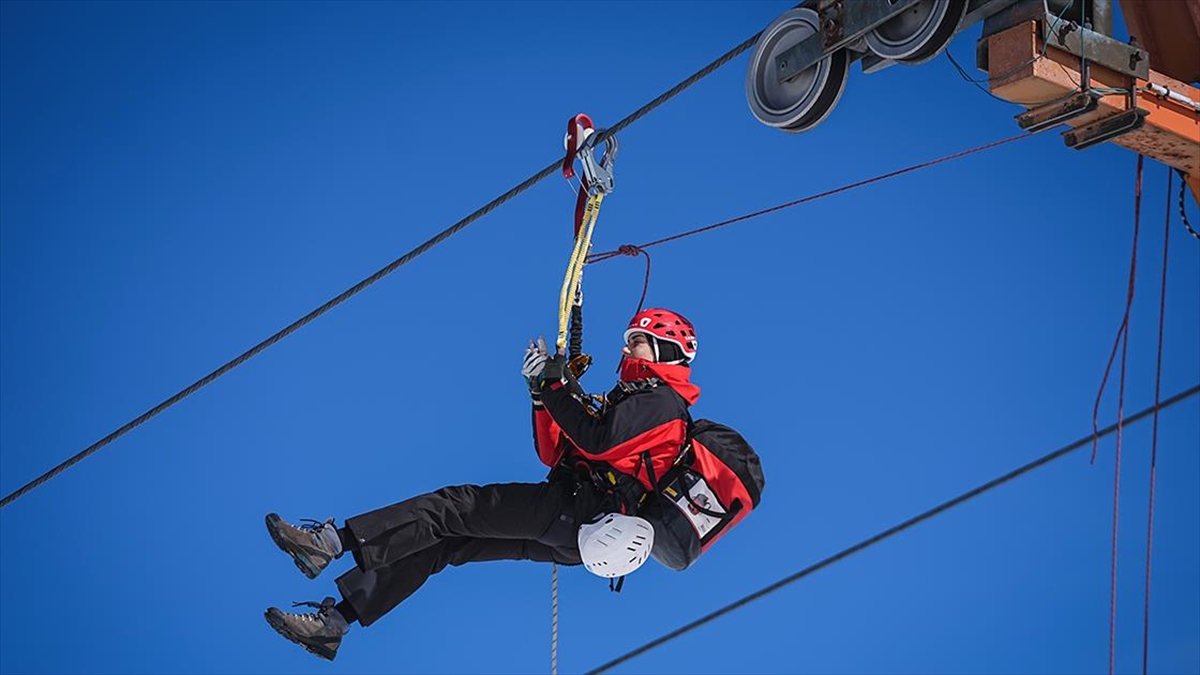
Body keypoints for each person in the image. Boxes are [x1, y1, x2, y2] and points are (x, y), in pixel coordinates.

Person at [262, 308, 701, 661]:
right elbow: (556, 452)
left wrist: (554, 385)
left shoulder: (661, 402)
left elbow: (594, 438)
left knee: (450, 507)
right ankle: (334, 625)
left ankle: (329, 543)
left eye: (638, 340)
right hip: (576, 525)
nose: (628, 349)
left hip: (580, 511)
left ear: (667, 349)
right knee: (445, 542)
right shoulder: (634, 402)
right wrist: (542, 394)